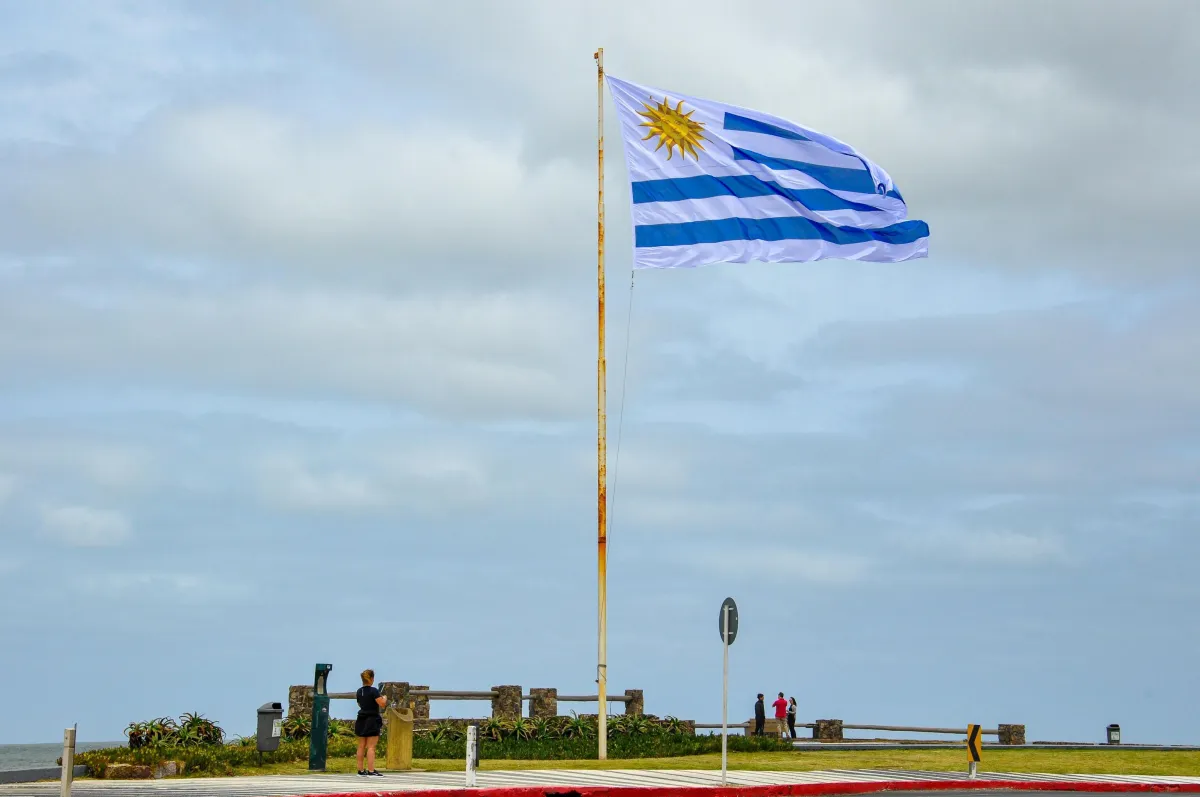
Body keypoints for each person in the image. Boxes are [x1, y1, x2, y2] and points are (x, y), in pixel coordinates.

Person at [355, 669, 387, 777]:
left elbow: (360, 704)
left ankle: (360, 770)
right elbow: (381, 703)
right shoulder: (374, 691)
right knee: (371, 746)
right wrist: (384, 698)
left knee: (361, 746)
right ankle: (371, 770)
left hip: (361, 719)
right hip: (372, 719)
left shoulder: (359, 691)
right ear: (372, 678)